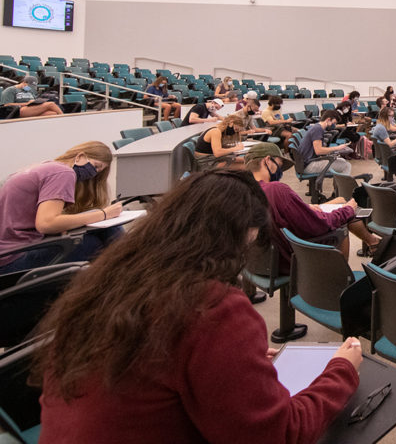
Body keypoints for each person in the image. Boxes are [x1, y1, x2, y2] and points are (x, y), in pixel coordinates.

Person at [35, 169, 363, 444]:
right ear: (239, 234)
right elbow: (280, 434)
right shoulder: (212, 308)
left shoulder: (106, 282)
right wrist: (341, 370)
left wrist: (229, 362)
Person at [0, 141, 123, 274]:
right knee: (97, 241)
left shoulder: (45, 167)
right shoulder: (64, 172)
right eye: (96, 166)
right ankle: (130, 273)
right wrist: (103, 214)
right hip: (14, 261)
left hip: (7, 256)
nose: (94, 173)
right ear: (80, 156)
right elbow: (46, 223)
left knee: (96, 234)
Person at [245, 143, 380, 264]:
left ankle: (372, 242)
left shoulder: (242, 189)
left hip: (259, 261)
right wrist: (348, 210)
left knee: (340, 201)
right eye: (279, 166)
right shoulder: (276, 190)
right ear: (268, 161)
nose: (280, 172)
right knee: (342, 223)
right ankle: (341, 280)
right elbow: (318, 224)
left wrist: (305, 208)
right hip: (290, 257)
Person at [297, 109, 353, 177]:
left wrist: (336, 151)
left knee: (342, 161)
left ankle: (339, 186)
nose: (334, 125)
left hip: (307, 162)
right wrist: (337, 148)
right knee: (346, 165)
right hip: (308, 165)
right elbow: (319, 151)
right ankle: (343, 187)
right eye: (334, 123)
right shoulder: (317, 129)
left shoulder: (317, 127)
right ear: (328, 120)